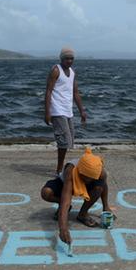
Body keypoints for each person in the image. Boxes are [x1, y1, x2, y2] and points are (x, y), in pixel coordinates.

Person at [40, 147, 115, 246]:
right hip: (64, 183)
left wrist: (106, 207)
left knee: (98, 188)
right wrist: (63, 229)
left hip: (90, 182)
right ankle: (63, 208)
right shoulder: (70, 171)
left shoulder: (100, 171)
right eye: (86, 178)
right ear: (80, 172)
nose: (88, 181)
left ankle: (83, 214)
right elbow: (66, 200)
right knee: (46, 192)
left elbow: (103, 185)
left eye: (91, 179)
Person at [44, 46, 87, 175]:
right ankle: (59, 170)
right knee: (63, 142)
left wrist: (82, 111)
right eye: (67, 58)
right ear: (61, 59)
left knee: (69, 141)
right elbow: (48, 91)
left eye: (71, 58)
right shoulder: (56, 70)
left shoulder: (72, 73)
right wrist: (47, 112)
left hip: (68, 111)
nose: (69, 61)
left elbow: (75, 92)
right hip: (57, 110)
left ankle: (60, 168)